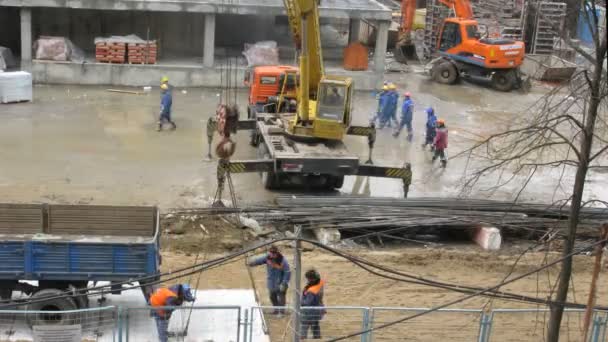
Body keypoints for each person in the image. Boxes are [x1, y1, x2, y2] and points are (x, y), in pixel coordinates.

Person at [248, 245, 291, 314]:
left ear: (277, 253)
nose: (272, 254)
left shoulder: (283, 261)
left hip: (281, 282)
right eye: (271, 252)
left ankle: (281, 311)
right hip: (271, 282)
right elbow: (259, 260)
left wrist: (284, 283)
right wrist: (252, 263)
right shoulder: (267, 257)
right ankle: (276, 309)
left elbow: (287, 272)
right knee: (272, 296)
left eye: (274, 253)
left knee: (281, 297)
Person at [300, 269, 325, 339]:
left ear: (312, 279)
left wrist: (300, 302)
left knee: (304, 325)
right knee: (315, 325)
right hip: (318, 309)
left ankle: (303, 338)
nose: (307, 280)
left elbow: (307, 303)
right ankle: (317, 338)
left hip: (309, 311)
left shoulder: (311, 291)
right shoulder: (320, 283)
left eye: (308, 279)